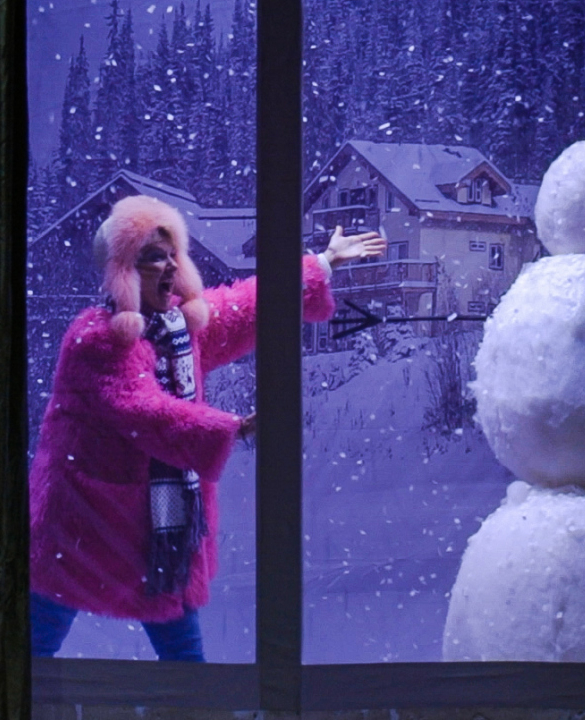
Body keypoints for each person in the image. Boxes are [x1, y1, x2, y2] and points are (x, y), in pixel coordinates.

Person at [29, 194, 385, 660]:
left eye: (172, 254)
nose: (170, 266)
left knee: (181, 650)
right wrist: (229, 428)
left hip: (155, 525)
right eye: (153, 257)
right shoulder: (96, 338)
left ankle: (192, 698)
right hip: (81, 520)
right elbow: (139, 408)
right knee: (36, 641)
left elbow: (245, 306)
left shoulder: (178, 327)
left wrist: (322, 263)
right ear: (123, 271)